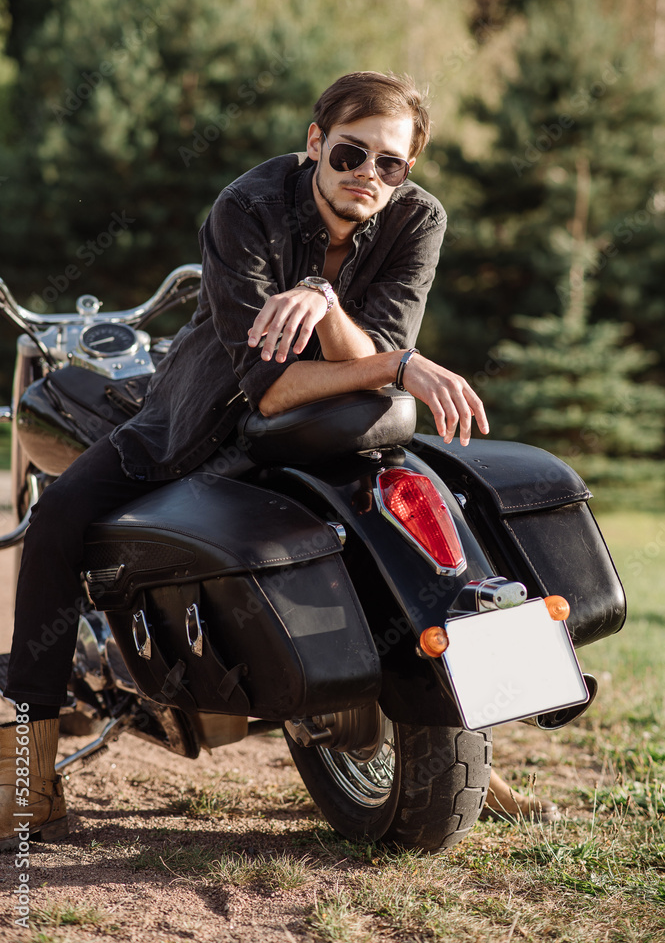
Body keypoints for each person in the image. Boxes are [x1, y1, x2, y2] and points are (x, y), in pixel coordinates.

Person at [0, 71, 556, 851]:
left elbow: (376, 349)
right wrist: (392, 363)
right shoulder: (246, 208)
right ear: (313, 145)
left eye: (389, 163)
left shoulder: (416, 220)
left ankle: (468, 761)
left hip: (330, 432)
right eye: (350, 153)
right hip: (197, 417)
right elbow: (265, 388)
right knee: (60, 519)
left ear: (409, 171)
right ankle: (26, 775)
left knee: (423, 550)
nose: (368, 174)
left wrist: (330, 309)